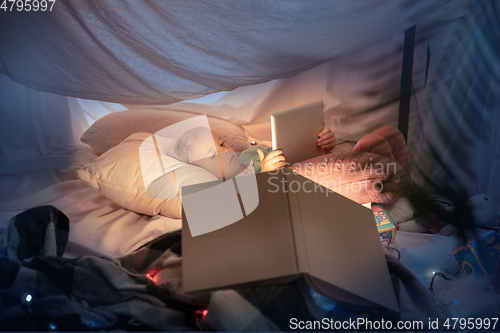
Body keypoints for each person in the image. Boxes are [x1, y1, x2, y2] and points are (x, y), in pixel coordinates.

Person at [167, 124, 409, 180]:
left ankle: (417, 196)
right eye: (214, 152)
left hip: (318, 164)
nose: (226, 149)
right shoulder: (231, 185)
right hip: (311, 181)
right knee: (372, 150)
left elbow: (291, 153)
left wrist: (324, 144)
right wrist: (267, 174)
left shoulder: (247, 156)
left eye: (222, 143)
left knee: (388, 133)